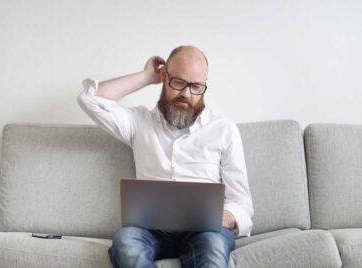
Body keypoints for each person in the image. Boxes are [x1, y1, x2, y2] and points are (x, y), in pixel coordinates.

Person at [77, 45, 254, 268]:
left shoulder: (224, 129)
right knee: (126, 242)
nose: (186, 94)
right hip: (150, 230)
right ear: (164, 77)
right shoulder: (139, 122)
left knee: (213, 249)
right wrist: (145, 77)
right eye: (178, 82)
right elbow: (89, 99)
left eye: (196, 86)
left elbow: (242, 204)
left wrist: (218, 218)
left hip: (205, 230)